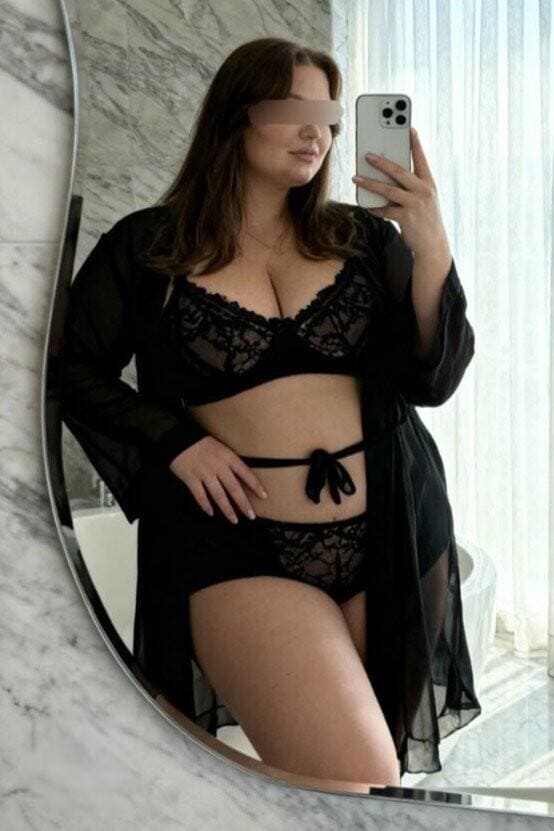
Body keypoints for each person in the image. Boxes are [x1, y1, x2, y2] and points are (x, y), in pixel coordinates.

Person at [59, 37, 482, 786]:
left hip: (395, 526)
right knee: (356, 772)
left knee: (368, 790)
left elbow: (434, 377)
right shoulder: (149, 249)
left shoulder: (360, 239)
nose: (317, 132)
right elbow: (68, 367)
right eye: (294, 110)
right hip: (241, 547)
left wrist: (432, 247)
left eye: (328, 116)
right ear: (237, 113)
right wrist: (174, 441)